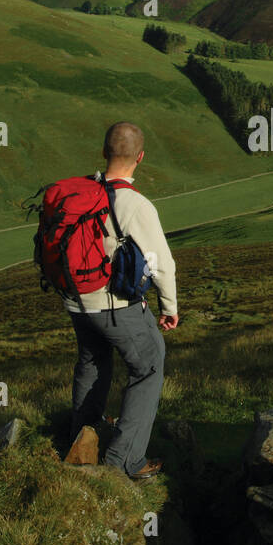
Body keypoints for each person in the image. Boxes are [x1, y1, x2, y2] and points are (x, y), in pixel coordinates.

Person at [64, 121, 178, 481]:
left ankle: (82, 442)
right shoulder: (135, 204)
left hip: (77, 303)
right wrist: (169, 308)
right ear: (140, 158)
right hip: (114, 307)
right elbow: (162, 264)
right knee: (149, 364)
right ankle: (123, 462)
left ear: (103, 152)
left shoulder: (81, 191)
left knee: (93, 362)